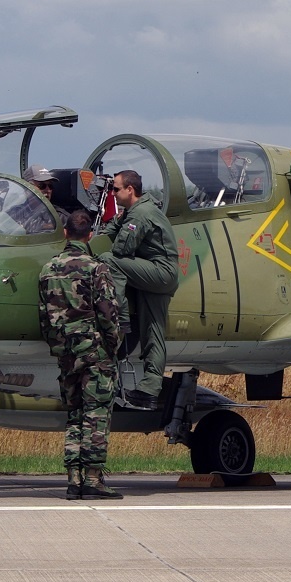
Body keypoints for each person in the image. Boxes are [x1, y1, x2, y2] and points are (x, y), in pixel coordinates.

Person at [38, 208, 125, 500]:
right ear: (90, 235)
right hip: (94, 351)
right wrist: (113, 346)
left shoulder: (48, 269)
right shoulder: (96, 268)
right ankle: (93, 479)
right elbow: (108, 313)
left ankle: (73, 480)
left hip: (66, 352)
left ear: (65, 233)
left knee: (74, 414)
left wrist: (58, 346)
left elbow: (43, 316)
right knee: (96, 414)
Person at [98, 169, 179, 410]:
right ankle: (150, 390)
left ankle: (120, 318)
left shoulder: (140, 214)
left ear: (129, 190)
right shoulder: (133, 211)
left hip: (160, 272)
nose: (113, 193)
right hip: (156, 274)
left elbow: (121, 249)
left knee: (108, 259)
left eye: (116, 189)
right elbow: (110, 230)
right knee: (153, 334)